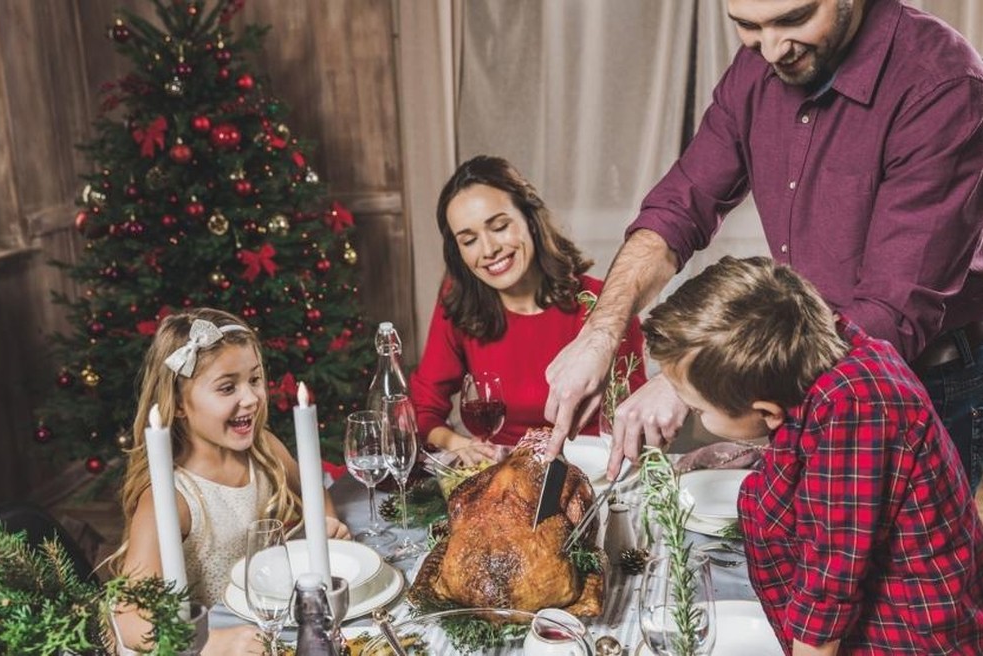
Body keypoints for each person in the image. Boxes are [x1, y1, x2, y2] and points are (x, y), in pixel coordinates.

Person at [543, 0, 983, 488]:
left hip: (917, 378)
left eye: (793, 20)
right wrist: (600, 332)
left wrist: (692, 380)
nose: (771, 49)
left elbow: (890, 313)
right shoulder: (760, 64)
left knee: (896, 563)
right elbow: (677, 211)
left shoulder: (940, 83)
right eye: (747, 26)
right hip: (796, 370)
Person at [645, 255, 983, 654]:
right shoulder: (824, 357)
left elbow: (827, 591)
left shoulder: (856, 410)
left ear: (767, 412)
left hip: (905, 642)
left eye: (700, 411)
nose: (698, 416)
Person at [107, 308, 350, 655]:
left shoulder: (264, 449)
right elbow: (127, 618)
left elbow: (314, 493)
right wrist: (206, 643)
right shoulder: (170, 498)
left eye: (254, 379)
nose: (250, 398)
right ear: (178, 405)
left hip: (262, 632)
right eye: (227, 387)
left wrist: (326, 523)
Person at [410, 155, 647, 464]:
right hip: (505, 473)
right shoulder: (459, 304)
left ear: (530, 220)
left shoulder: (602, 304)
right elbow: (424, 408)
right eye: (469, 241)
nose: (489, 249)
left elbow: (634, 416)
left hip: (595, 472)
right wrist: (457, 443)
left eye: (499, 226)